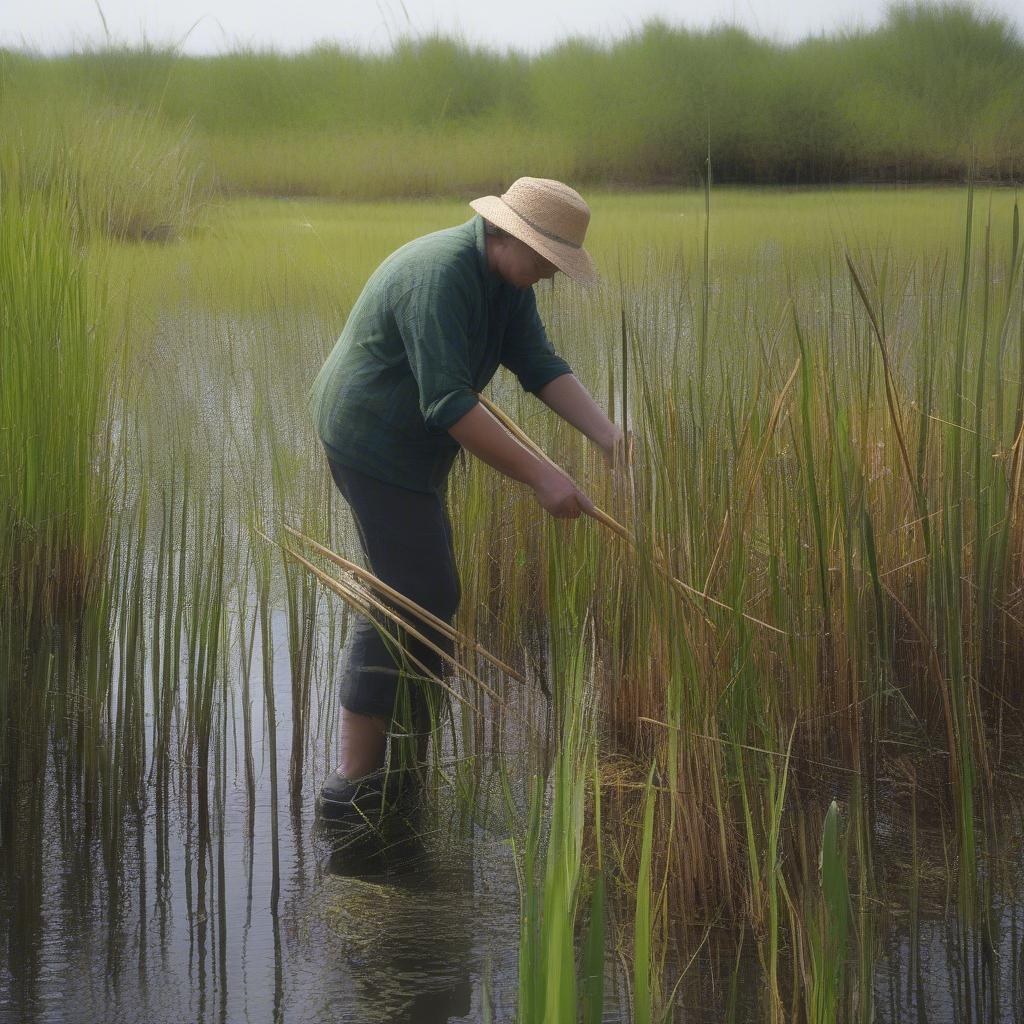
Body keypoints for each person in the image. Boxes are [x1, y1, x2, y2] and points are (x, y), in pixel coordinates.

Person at [309, 176, 623, 820]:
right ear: (508, 235)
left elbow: (537, 362)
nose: (547, 276)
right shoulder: (441, 276)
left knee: (430, 594)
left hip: (415, 447)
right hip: (369, 440)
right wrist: (542, 476)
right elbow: (450, 404)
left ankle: (404, 765)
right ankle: (354, 786)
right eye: (544, 260)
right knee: (409, 596)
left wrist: (608, 438)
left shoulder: (506, 281)